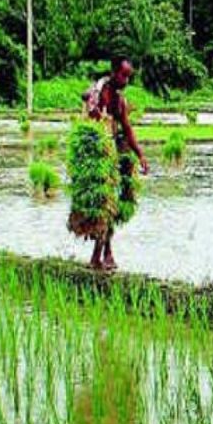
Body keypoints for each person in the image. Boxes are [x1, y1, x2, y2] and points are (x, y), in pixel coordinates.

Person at [81, 56, 149, 271]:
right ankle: (99, 256)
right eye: (123, 75)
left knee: (111, 205)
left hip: (112, 154)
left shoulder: (119, 100)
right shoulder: (98, 91)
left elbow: (127, 129)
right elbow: (88, 108)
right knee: (103, 204)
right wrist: (92, 108)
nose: (126, 80)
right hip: (97, 155)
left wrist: (140, 156)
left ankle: (105, 254)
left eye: (129, 76)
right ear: (113, 72)